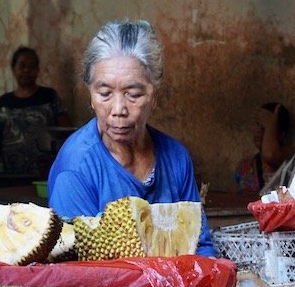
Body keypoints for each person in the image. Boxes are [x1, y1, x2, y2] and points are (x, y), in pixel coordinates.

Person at [47, 19, 217, 257]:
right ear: (91, 96)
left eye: (133, 94)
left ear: (154, 96)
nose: (118, 109)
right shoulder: (76, 168)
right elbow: (79, 270)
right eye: (104, 93)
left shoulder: (176, 158)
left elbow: (201, 248)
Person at [0, 46, 71, 177]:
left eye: (32, 66)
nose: (27, 70)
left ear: (38, 70)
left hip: (45, 174)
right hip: (9, 176)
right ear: (13, 69)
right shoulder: (3, 102)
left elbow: (67, 131)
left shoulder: (49, 97)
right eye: (22, 66)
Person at [234, 102, 295, 194]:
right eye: (258, 124)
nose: (259, 131)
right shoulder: (246, 167)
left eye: (265, 127)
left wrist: (270, 125)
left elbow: (270, 155)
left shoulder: (290, 156)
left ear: (282, 134)